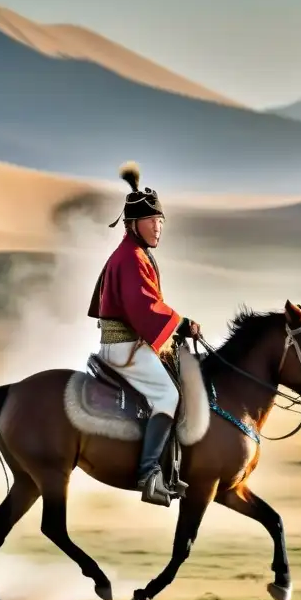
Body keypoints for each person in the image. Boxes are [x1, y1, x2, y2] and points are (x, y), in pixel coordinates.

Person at [87, 162, 201, 507]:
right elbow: (143, 307)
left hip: (129, 345)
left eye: (161, 221)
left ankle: (171, 470)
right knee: (168, 396)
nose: (159, 227)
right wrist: (181, 324)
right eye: (152, 221)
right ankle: (149, 473)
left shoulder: (134, 254)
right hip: (125, 348)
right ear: (133, 224)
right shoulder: (131, 257)